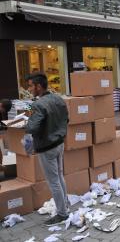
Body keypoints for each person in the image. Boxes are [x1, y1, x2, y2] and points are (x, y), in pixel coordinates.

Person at [25, 73, 69, 226]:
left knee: (53, 181)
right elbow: (66, 119)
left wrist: (27, 122)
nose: (29, 89)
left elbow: (32, 127)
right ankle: (66, 204)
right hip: (59, 143)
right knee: (59, 175)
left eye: (31, 86)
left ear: (38, 86)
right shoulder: (58, 98)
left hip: (47, 146)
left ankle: (62, 214)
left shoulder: (38, 104)